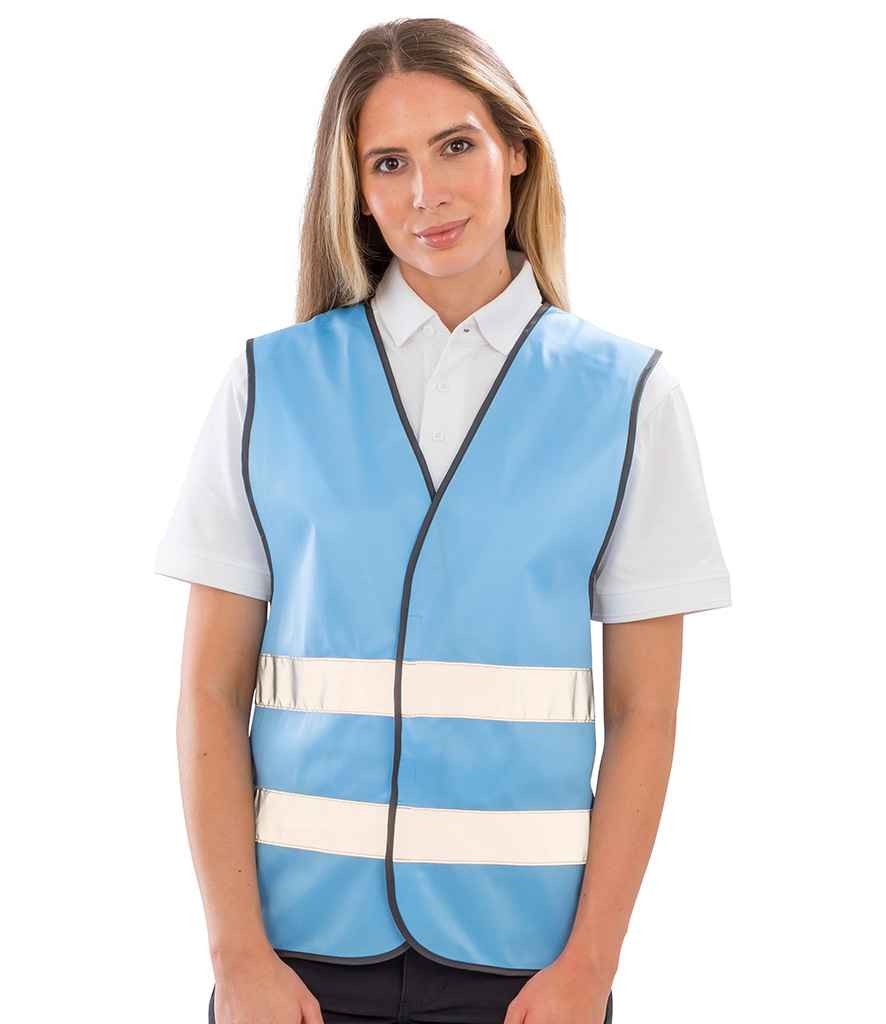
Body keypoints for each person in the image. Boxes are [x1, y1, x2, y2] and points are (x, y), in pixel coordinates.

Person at [154, 17, 731, 1024]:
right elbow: (209, 691)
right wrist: (237, 955)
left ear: (516, 149)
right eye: (389, 162)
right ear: (356, 190)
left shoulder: (629, 396)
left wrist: (588, 968)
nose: (427, 192)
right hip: (295, 963)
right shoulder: (267, 384)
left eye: (455, 145)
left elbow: (646, 713)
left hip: (527, 970)